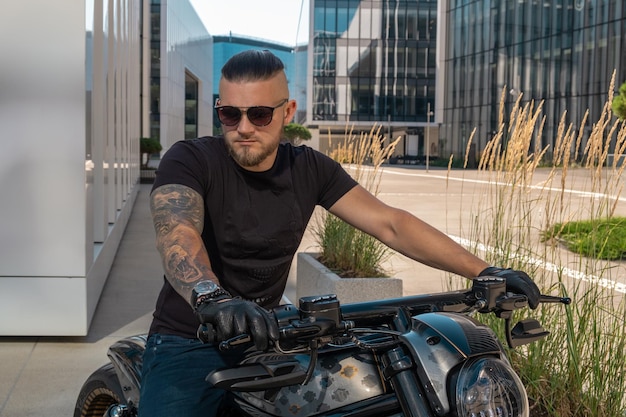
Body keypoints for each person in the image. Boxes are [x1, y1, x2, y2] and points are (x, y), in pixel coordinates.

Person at [138, 49, 541, 417]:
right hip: (189, 338)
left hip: (272, 334)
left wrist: (486, 270)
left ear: (287, 111)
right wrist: (211, 298)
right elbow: (177, 232)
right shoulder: (191, 159)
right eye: (230, 114)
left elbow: (391, 223)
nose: (243, 127)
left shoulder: (309, 168)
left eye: (259, 114)